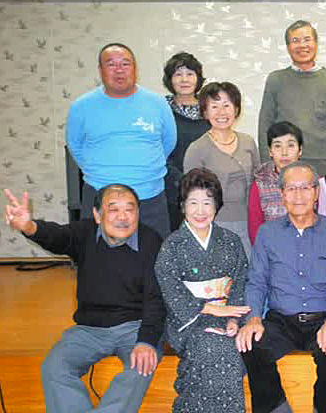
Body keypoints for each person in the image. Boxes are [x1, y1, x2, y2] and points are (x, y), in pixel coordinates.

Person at [4, 184, 165, 413]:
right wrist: (29, 227)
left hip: (134, 327)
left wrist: (147, 341)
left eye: (130, 209)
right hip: (89, 329)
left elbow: (156, 298)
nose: (123, 217)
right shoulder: (85, 232)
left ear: (138, 213)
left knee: (141, 366)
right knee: (54, 367)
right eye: (113, 209)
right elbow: (58, 236)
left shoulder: (151, 241)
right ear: (97, 215)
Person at [237, 161, 326, 413]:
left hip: (323, 317)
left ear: (316, 193)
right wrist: (254, 317)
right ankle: (277, 407)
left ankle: (321, 405)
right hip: (282, 320)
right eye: (291, 188)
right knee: (251, 343)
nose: (298, 195)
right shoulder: (268, 233)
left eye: (305, 187)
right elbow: (256, 281)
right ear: (282, 194)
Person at [155, 168, 250, 412]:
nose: (200, 211)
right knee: (214, 347)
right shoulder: (173, 245)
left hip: (227, 318)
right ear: (182, 206)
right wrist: (210, 310)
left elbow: (240, 280)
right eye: (193, 202)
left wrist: (233, 318)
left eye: (207, 203)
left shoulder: (231, 241)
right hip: (188, 321)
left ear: (216, 206)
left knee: (234, 347)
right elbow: (171, 288)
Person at [66, 43, 176, 238]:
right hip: (99, 198)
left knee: (156, 255)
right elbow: (76, 148)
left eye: (125, 64)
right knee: (96, 255)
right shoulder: (81, 106)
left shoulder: (157, 103)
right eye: (111, 64)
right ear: (100, 70)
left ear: (135, 68)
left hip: (150, 198)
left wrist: (143, 170)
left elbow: (168, 143)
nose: (119, 70)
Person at [258, 20, 326, 176]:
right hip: (285, 163)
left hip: (324, 164)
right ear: (288, 47)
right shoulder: (276, 80)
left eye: (307, 39)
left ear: (316, 44)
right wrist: (267, 164)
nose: (302, 45)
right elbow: (265, 124)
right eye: (295, 41)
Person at [184, 81, 259, 256]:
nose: (221, 112)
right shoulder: (197, 148)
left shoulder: (248, 142)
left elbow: (257, 183)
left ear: (236, 109)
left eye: (227, 105)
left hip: (249, 223)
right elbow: (191, 197)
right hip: (214, 224)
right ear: (205, 112)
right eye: (214, 106)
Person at [162, 52, 209, 231]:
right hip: (171, 190)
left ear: (198, 78)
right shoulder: (161, 110)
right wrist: (181, 181)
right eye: (178, 74)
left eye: (190, 74)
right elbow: (157, 151)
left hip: (206, 189)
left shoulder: (209, 109)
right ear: (170, 80)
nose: (184, 79)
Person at [247, 121, 303, 244]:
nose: (284, 152)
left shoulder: (311, 182)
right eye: (278, 146)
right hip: (271, 250)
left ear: (300, 150)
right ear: (270, 151)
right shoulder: (260, 185)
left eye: (290, 145)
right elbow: (255, 229)